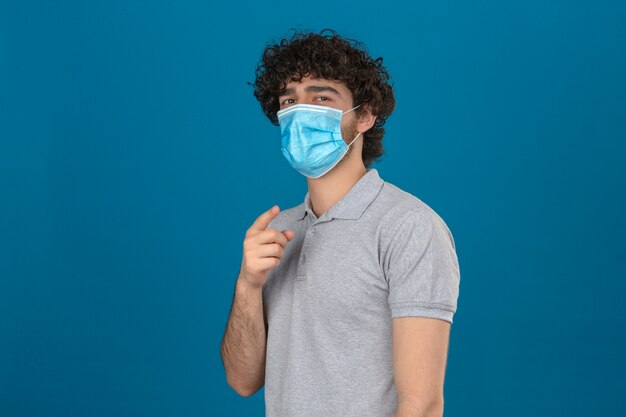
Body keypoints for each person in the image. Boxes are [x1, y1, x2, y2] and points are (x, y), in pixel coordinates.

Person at [220, 28, 460, 417]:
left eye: (320, 97)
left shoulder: (408, 227)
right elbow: (242, 380)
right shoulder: (279, 230)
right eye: (289, 101)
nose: (301, 111)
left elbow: (422, 403)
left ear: (364, 115)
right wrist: (247, 285)